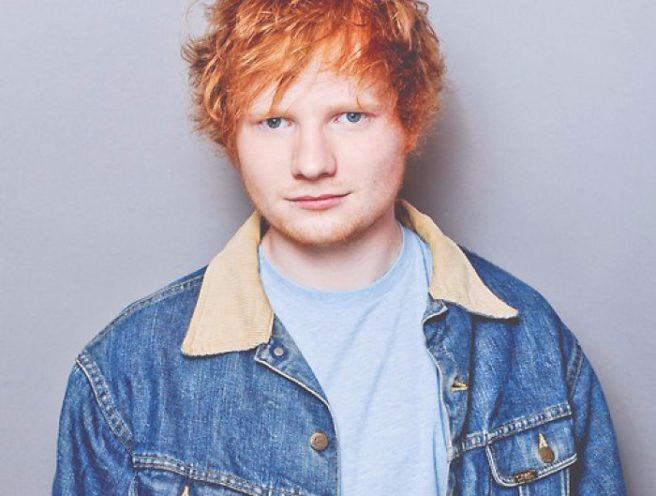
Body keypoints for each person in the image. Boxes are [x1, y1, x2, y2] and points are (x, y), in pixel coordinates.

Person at [53, 1, 626, 494]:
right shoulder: (127, 374)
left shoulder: (531, 343)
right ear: (231, 135)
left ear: (409, 120)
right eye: (274, 122)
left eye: (351, 116)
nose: (312, 163)